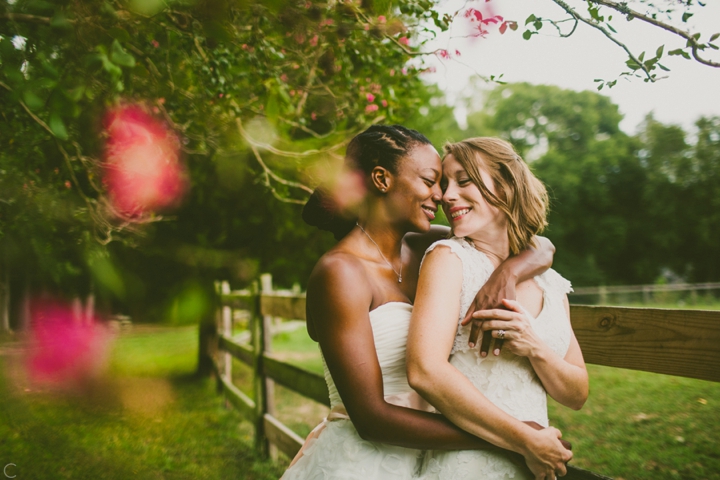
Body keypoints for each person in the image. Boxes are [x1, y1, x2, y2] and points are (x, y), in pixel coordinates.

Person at [281, 125, 572, 480]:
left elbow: (537, 244)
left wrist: (507, 274)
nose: (443, 195)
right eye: (430, 181)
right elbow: (372, 419)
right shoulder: (340, 272)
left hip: (429, 459)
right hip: (366, 461)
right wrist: (513, 437)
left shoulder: (422, 247)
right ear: (381, 179)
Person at [406, 137, 588, 480]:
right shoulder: (450, 259)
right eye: (445, 184)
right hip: (466, 466)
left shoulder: (552, 284)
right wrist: (525, 441)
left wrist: (534, 347)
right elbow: (424, 371)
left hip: (533, 467)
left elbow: (577, 393)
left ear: (505, 186)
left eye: (463, 180)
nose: (446, 195)